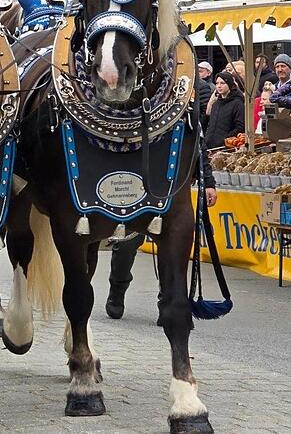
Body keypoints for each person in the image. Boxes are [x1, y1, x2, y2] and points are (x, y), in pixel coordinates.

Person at [105, 74, 218, 320]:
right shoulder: (130, 102)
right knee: (126, 244)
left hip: (169, 186)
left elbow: (197, 145)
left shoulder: (183, 99)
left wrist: (207, 181)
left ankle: (166, 302)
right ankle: (117, 289)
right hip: (137, 183)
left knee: (173, 248)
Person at [205, 72, 245, 148]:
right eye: (217, 83)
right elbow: (211, 125)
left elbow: (240, 127)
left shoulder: (237, 103)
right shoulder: (216, 104)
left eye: (222, 83)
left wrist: (225, 139)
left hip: (226, 146)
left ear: (229, 84)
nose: (219, 86)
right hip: (209, 145)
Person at [195, 61, 214, 127]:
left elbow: (205, 110)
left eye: (200, 71)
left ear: (208, 73)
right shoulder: (198, 84)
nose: (198, 73)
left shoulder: (208, 87)